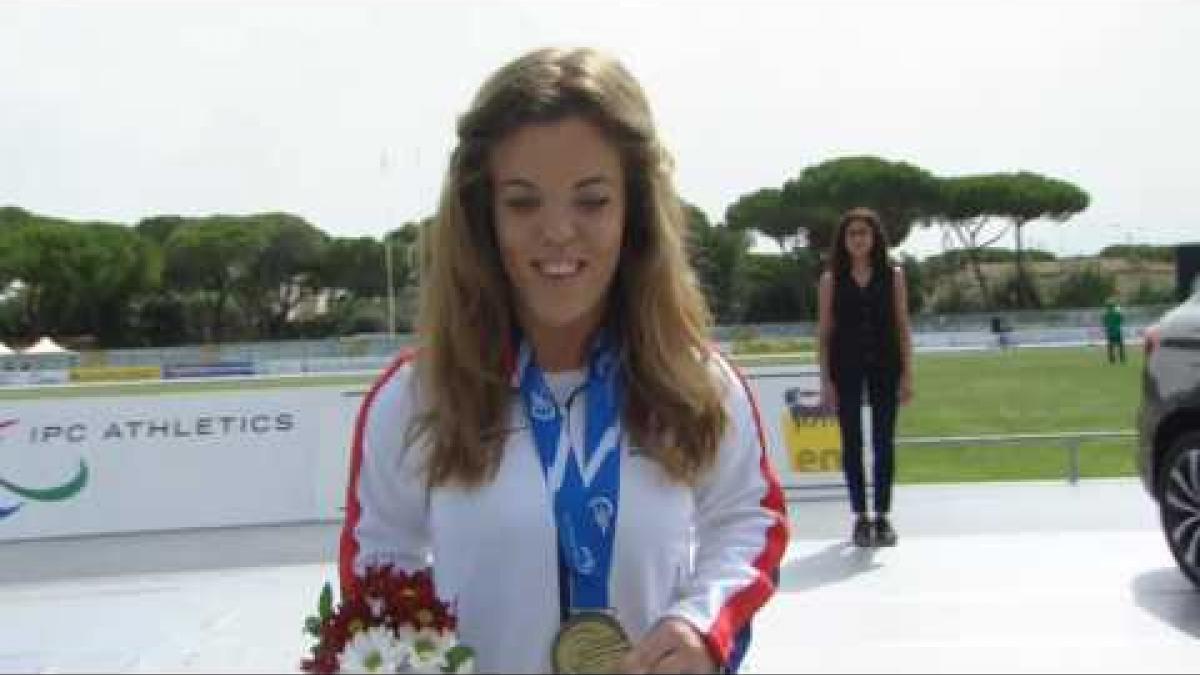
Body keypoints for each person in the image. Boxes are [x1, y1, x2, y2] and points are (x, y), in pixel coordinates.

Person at [339, 48, 788, 674]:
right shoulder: (416, 397)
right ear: (482, 216)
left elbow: (747, 524)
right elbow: (377, 566)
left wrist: (700, 627)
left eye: (592, 200)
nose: (557, 231)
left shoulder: (698, 382)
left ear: (633, 211)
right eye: (523, 202)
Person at [817, 208, 914, 548]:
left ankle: (883, 516)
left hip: (886, 365)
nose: (858, 239)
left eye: (864, 233)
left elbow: (902, 325)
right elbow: (825, 332)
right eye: (852, 234)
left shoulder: (894, 275)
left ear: (875, 239)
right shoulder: (831, 279)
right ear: (843, 241)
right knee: (852, 444)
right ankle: (860, 516)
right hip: (845, 367)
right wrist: (826, 380)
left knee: (883, 442)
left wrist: (908, 373)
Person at [1103, 300, 1126, 364]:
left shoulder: (1106, 314)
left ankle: (1112, 359)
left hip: (1110, 331)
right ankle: (1122, 358)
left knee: (1111, 346)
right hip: (1117, 331)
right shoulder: (1117, 313)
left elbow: (1104, 323)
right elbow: (1122, 319)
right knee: (1120, 345)